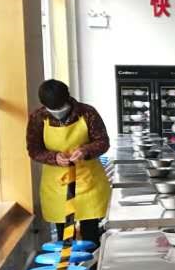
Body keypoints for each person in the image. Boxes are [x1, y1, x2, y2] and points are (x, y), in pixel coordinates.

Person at [26, 78, 112, 245]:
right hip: (57, 185)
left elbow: (103, 141)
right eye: (53, 109)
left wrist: (85, 151)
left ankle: (92, 260)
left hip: (88, 182)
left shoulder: (87, 113)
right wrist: (54, 157)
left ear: (68, 98)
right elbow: (34, 150)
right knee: (65, 236)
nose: (58, 112)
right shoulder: (38, 118)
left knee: (90, 234)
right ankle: (68, 260)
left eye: (61, 107)